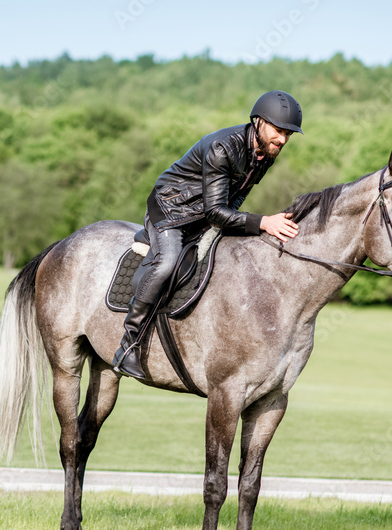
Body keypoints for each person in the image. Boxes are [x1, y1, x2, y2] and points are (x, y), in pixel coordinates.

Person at [112, 90, 305, 380]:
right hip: (170, 210)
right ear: (258, 122)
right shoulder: (222, 148)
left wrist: (243, 225)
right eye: (279, 131)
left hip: (203, 215)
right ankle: (128, 345)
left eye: (288, 134)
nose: (283, 139)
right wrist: (263, 221)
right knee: (166, 263)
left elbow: (236, 199)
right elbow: (217, 211)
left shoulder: (265, 153)